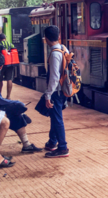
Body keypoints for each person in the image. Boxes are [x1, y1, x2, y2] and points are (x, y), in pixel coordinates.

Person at [0, 53, 43, 153]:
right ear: (0, 67)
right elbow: (0, 100)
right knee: (12, 112)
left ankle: (26, 145)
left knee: (15, 114)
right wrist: (17, 103)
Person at [43, 25, 69, 158]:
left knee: (57, 118)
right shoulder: (64, 48)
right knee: (54, 116)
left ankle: (63, 147)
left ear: (46, 39)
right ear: (59, 36)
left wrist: (48, 95)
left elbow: (54, 77)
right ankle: (52, 142)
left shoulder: (54, 54)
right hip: (63, 90)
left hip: (56, 92)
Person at [0, 33, 15, 99]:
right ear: (5, 38)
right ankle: (8, 96)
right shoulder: (10, 44)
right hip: (9, 64)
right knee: (9, 79)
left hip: (1, 64)